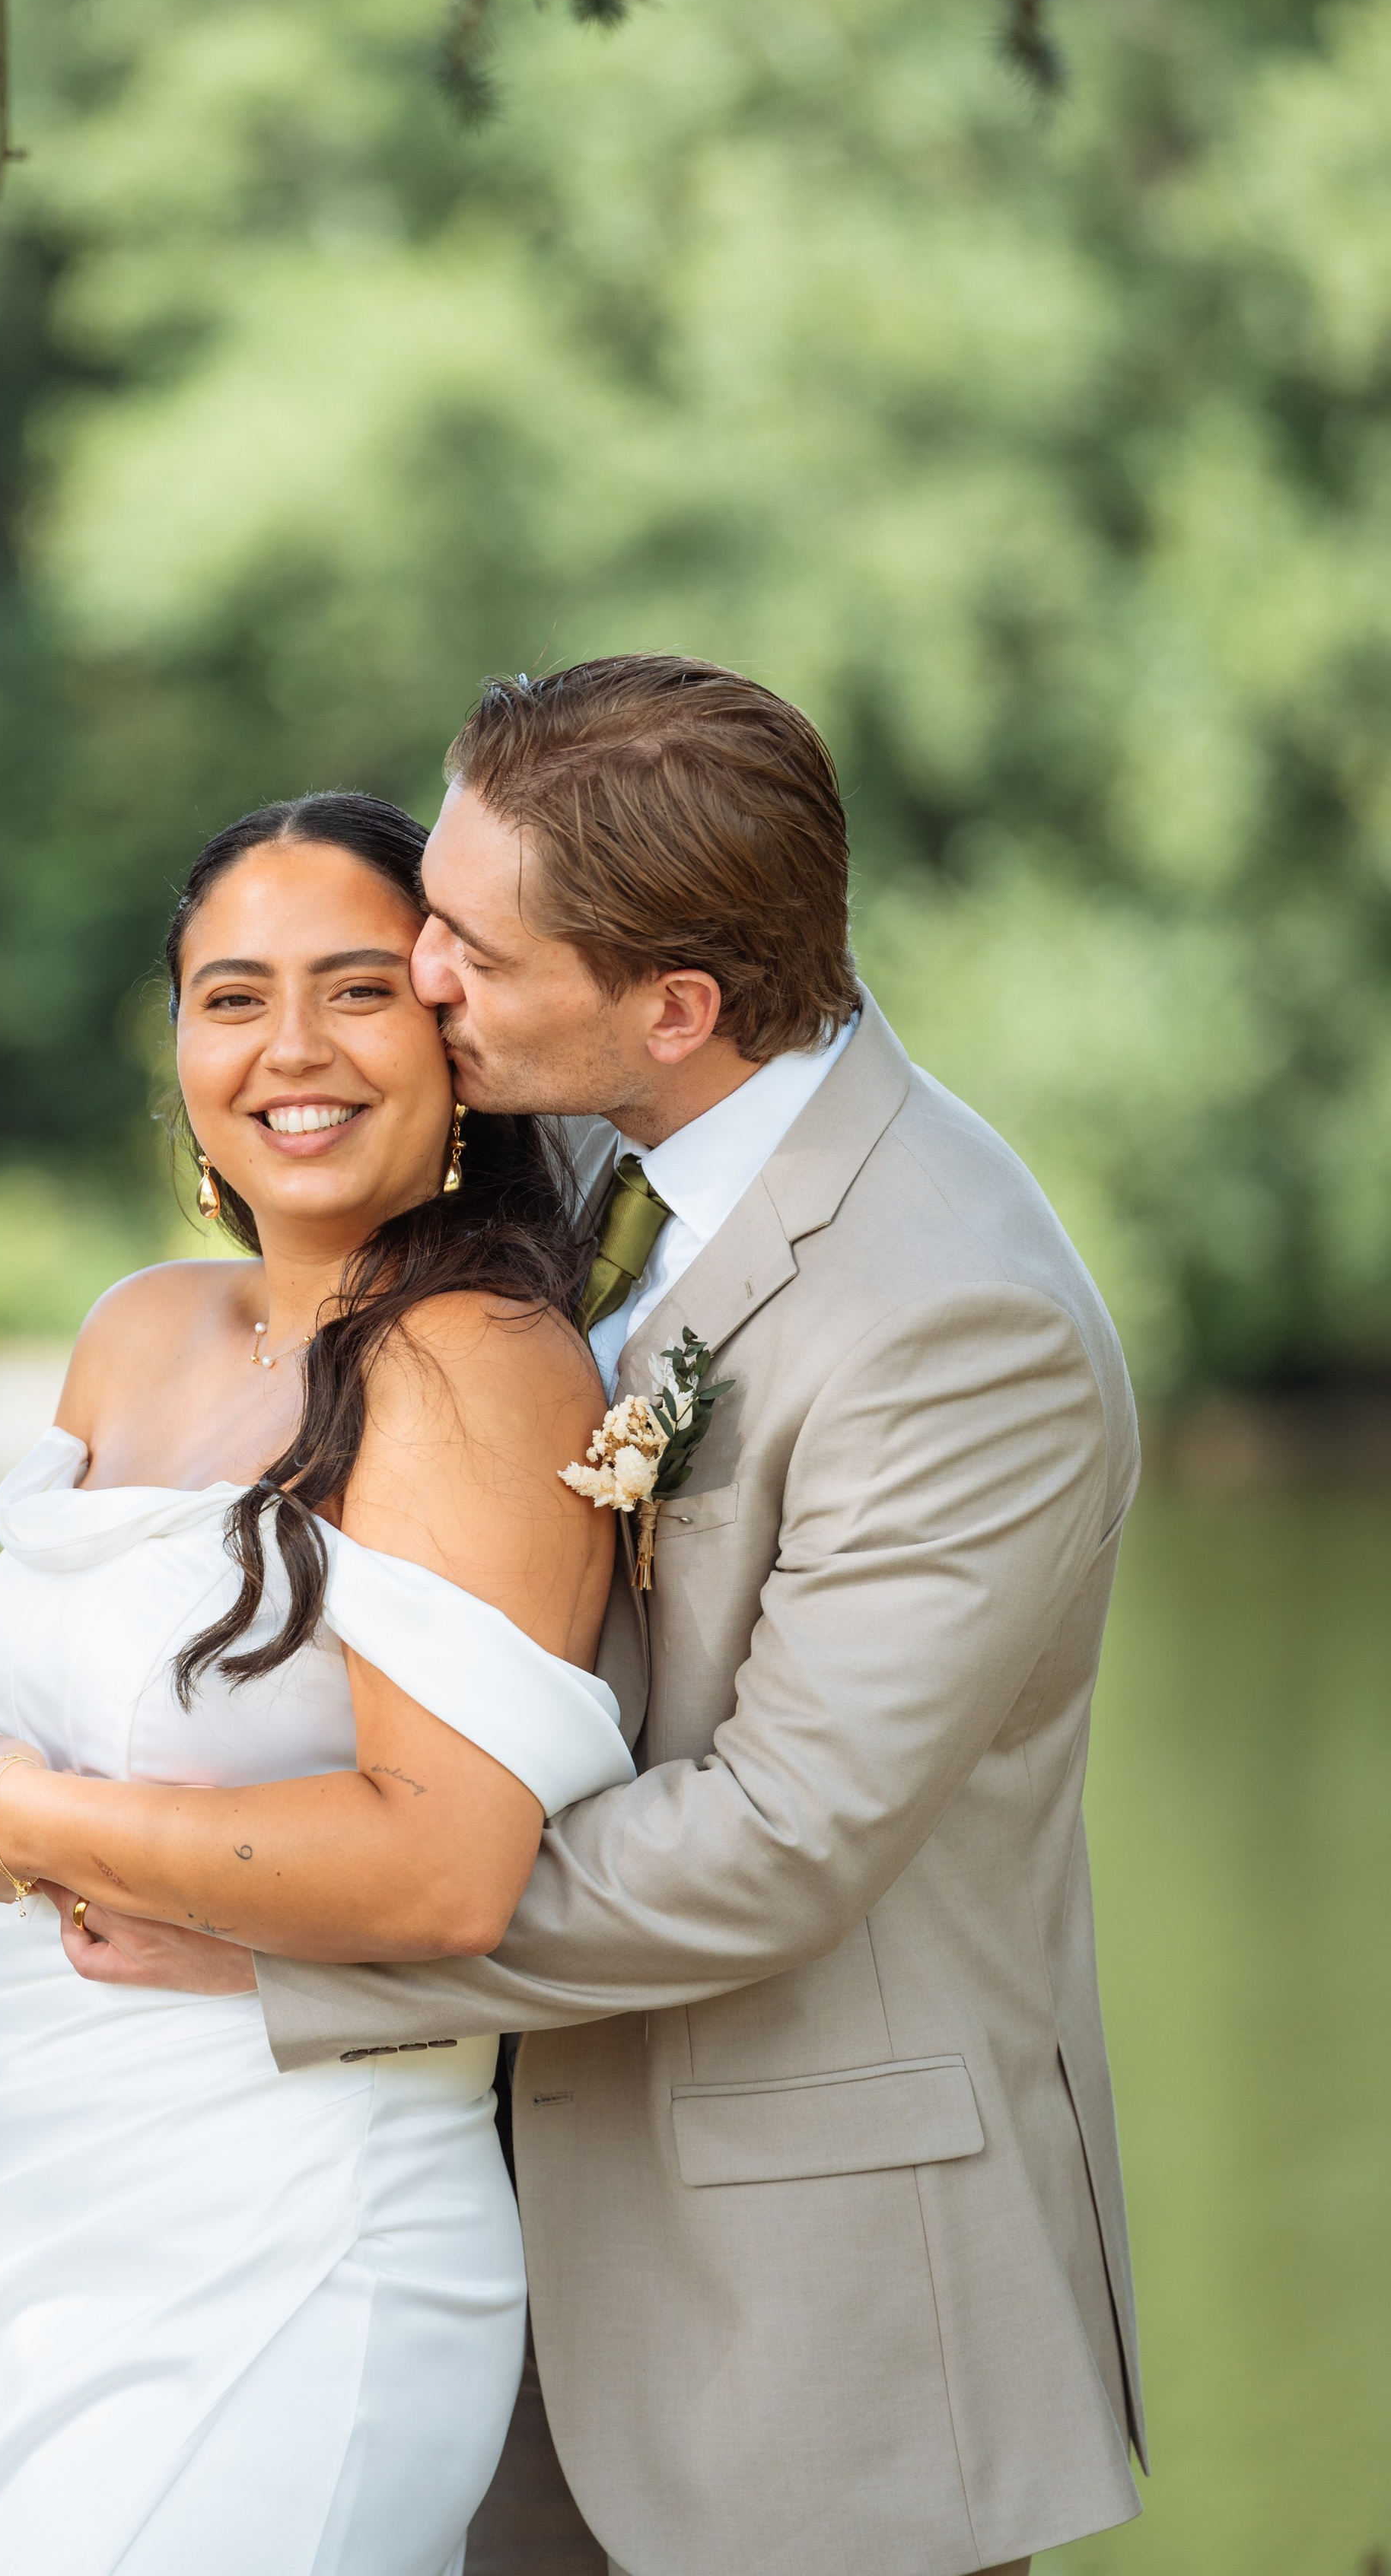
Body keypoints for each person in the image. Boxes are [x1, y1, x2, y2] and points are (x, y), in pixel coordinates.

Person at [59, 658, 1147, 2576]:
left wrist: (292, 1934)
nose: (422, 980)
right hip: (464, 2241)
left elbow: (776, 1840)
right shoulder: (567, 1145)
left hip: (800, 2323)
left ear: (674, 1005)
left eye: (465, 949)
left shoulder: (954, 1322)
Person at [0, 791, 636, 2576]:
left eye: (355, 992)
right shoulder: (141, 1326)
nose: (290, 1051)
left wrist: (19, 1816)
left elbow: (443, 1864)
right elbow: (115, 1709)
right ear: (175, 1034)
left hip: (280, 2218)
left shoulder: (476, 1362)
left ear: (451, 1024)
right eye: (229, 995)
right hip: (6, 2187)